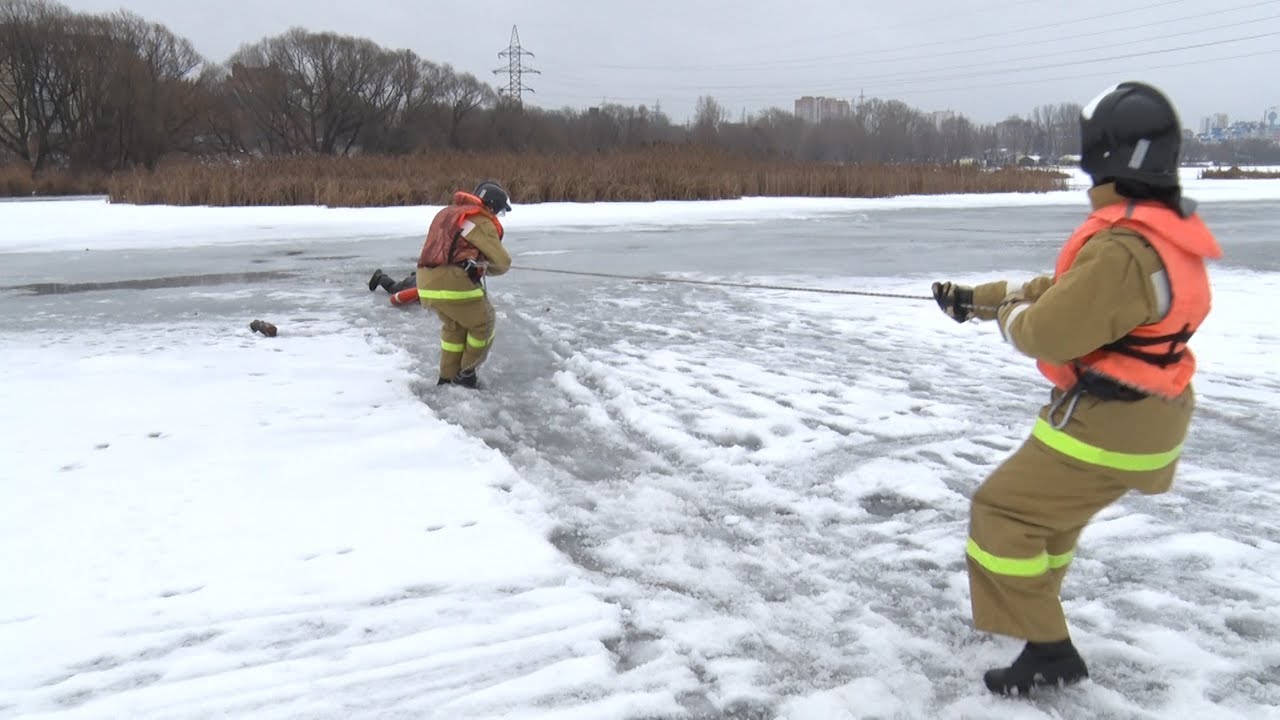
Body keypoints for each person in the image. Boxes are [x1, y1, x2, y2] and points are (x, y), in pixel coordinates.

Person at [930, 81, 1222, 695]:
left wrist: (1008, 319)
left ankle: (1050, 647)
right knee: (1045, 520)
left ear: (1107, 155)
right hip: (1147, 417)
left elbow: (1047, 330)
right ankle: (1040, 617)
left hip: (1109, 424)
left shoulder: (1121, 250)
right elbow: (1061, 292)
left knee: (1002, 511)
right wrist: (978, 301)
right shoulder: (1155, 236)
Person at [415, 180, 513, 388]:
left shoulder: (450, 213)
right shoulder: (479, 220)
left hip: (425, 281)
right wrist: (485, 267)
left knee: (455, 327)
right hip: (453, 282)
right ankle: (467, 373)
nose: (498, 216)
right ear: (492, 205)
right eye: (499, 211)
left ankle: (447, 377)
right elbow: (502, 263)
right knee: (483, 322)